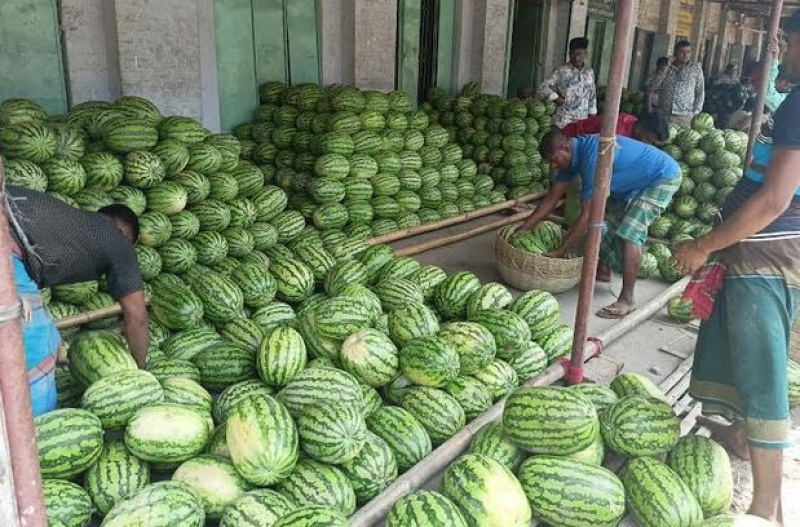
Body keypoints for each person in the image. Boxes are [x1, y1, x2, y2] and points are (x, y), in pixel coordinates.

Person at [673, 11, 800, 525]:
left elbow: (773, 198)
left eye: (789, 44)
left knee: (764, 366)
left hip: (766, 252)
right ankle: (740, 436)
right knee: (739, 349)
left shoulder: (799, 102)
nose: (783, 53)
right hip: (771, 249)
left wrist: (703, 245)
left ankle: (767, 506)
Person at [5, 186, 149, 416]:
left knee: (46, 335)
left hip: (9, 222)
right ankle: (34, 435)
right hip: (5, 242)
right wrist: (141, 370)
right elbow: (137, 317)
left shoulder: (77, 224)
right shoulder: (119, 242)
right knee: (39, 347)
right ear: (123, 233)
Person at [519, 131, 680, 318]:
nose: (553, 166)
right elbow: (551, 199)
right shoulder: (571, 159)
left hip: (660, 177)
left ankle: (627, 299)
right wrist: (522, 229)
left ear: (565, 148)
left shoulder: (592, 158)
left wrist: (561, 250)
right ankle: (604, 270)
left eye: (553, 160)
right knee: (603, 224)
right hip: (632, 182)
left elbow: (588, 215)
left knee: (629, 233)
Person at [537, 37, 597, 129]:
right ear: (569, 54)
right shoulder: (561, 71)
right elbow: (542, 88)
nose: (576, 58)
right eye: (573, 54)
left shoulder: (589, 72)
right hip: (563, 121)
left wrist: (592, 116)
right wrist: (557, 99)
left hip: (582, 122)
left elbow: (592, 95)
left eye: (579, 54)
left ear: (585, 54)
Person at [655, 40, 705, 126]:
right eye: (682, 52)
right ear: (675, 52)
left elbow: (700, 91)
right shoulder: (666, 67)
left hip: (685, 116)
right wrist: (665, 68)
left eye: (688, 52)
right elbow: (654, 86)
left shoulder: (695, 68)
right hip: (664, 113)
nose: (685, 55)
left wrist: (695, 112)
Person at [560, 111, 670, 145]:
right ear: (641, 129)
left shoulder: (633, 122)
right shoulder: (616, 132)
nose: (648, 144)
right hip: (569, 140)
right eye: (648, 139)